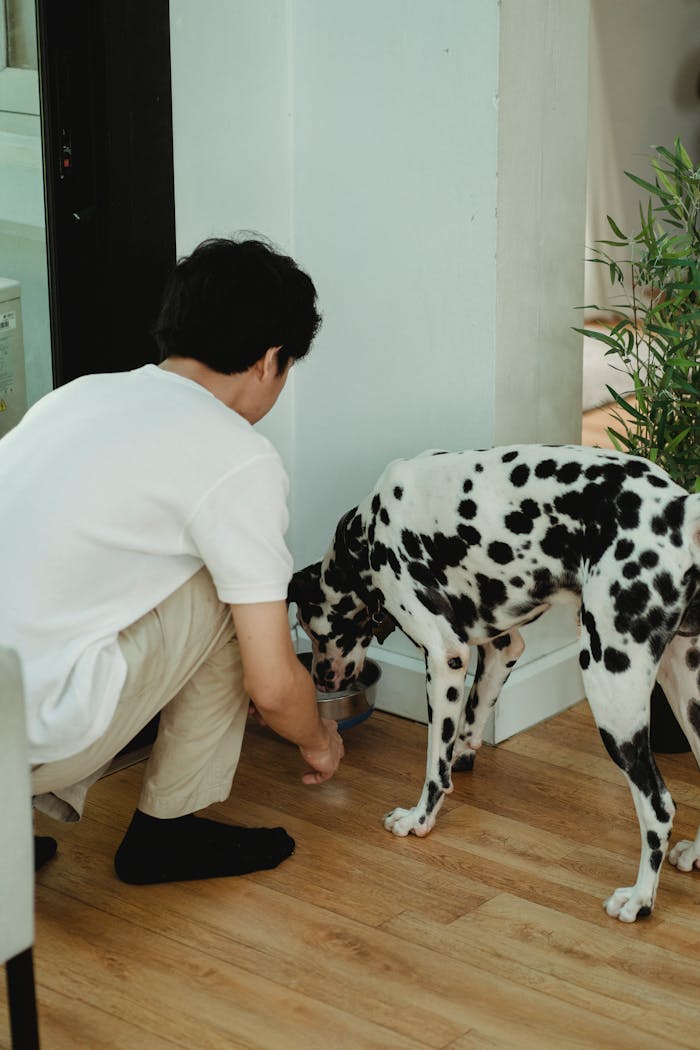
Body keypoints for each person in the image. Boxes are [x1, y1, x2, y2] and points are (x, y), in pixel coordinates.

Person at [0, 236, 344, 885]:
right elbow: (272, 687)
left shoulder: (78, 397)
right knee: (233, 593)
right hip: (26, 735)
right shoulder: (238, 457)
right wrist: (319, 738)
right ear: (271, 361)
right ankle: (167, 834)